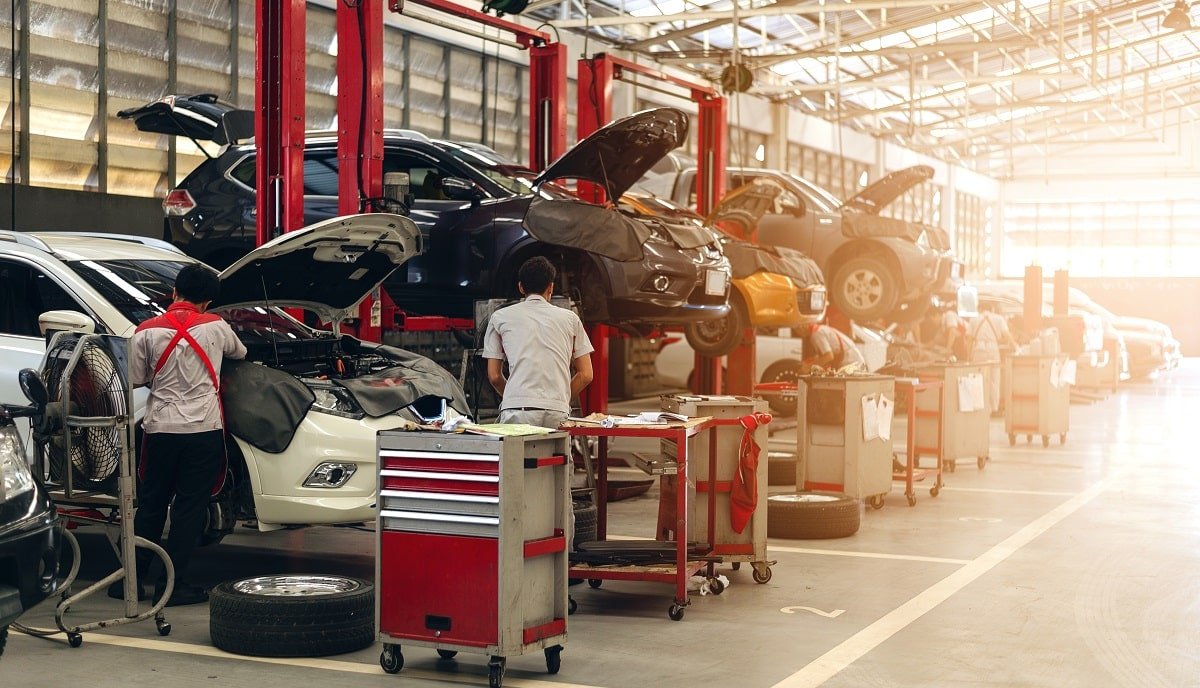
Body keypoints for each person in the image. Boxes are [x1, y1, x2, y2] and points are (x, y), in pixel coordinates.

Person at [110, 263, 246, 606]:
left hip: (160, 429)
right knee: (189, 508)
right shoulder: (216, 326)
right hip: (203, 430)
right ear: (208, 300)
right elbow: (240, 353)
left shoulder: (146, 330)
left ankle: (134, 581)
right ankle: (175, 585)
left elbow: (136, 378)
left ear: (174, 293)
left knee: (152, 504)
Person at [483, 257, 594, 429]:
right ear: (551, 287)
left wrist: (515, 397)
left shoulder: (499, 317)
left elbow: (495, 376)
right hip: (557, 410)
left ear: (521, 287)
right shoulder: (571, 318)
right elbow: (586, 374)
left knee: (515, 456)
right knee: (557, 456)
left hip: (517, 410)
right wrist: (559, 398)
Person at [801, 321, 867, 372]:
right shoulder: (820, 329)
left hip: (853, 363)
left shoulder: (817, 333)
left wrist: (809, 367)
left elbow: (829, 356)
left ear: (803, 326)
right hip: (852, 362)